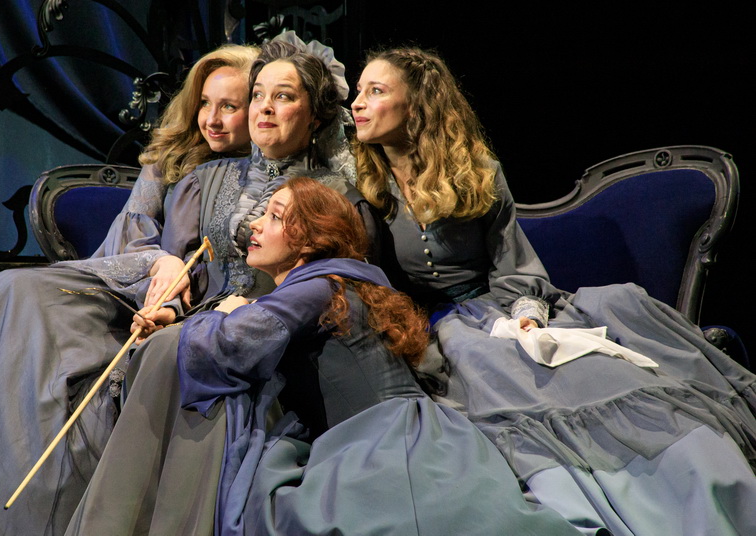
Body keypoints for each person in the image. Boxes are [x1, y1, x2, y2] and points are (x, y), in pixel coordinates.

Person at [350, 47, 756, 535]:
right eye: (358, 91)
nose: (358, 102)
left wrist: (526, 316)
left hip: (501, 309)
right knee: (487, 370)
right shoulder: (363, 185)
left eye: (376, 91)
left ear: (416, 106)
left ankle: (687, 485)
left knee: (593, 374)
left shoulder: (476, 171)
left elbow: (514, 267)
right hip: (438, 328)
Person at [0, 43, 258, 536]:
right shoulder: (170, 159)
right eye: (205, 104)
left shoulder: (267, 175)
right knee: (11, 291)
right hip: (121, 286)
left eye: (229, 106)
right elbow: (131, 232)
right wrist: (160, 261)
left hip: (187, 311)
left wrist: (177, 296)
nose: (212, 119)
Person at [63, 33, 385, 535]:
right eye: (258, 95)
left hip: (277, 343)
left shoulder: (337, 198)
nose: (265, 108)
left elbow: (330, 292)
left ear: (316, 116)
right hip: (201, 322)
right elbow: (187, 272)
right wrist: (170, 308)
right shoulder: (207, 179)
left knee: (188, 366)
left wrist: (238, 320)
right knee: (151, 347)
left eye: (283, 96)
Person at [177, 176, 585, 536]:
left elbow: (224, 348)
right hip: (421, 435)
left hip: (379, 449)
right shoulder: (340, 282)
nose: (254, 224)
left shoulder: (314, 289)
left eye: (275, 216)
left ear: (312, 237)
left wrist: (218, 314)